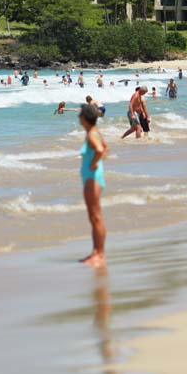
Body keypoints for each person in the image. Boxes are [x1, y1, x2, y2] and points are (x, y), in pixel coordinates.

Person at [78, 103, 108, 268]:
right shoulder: (95, 132)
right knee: (95, 217)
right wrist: (97, 164)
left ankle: (99, 254)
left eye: (80, 115)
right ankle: (97, 252)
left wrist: (93, 164)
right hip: (94, 177)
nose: (79, 118)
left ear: (84, 118)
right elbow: (106, 148)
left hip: (92, 179)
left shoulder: (91, 135)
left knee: (95, 217)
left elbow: (99, 150)